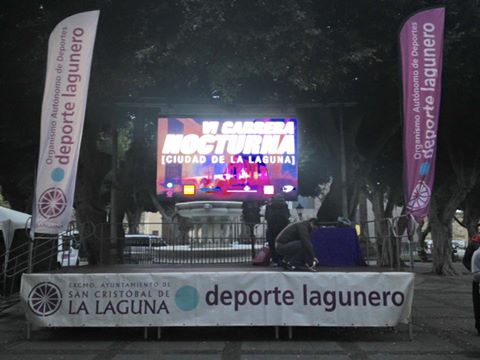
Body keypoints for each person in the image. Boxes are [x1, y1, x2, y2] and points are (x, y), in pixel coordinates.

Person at [265, 194, 290, 265]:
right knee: (282, 244)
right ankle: (282, 259)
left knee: (272, 245)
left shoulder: (269, 206)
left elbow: (267, 217)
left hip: (271, 228)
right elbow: (287, 216)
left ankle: (275, 260)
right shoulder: (285, 206)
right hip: (282, 229)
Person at [463, 234, 480, 336]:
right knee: (478, 304)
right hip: (478, 280)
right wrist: (473, 270)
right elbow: (466, 260)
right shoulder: (474, 244)